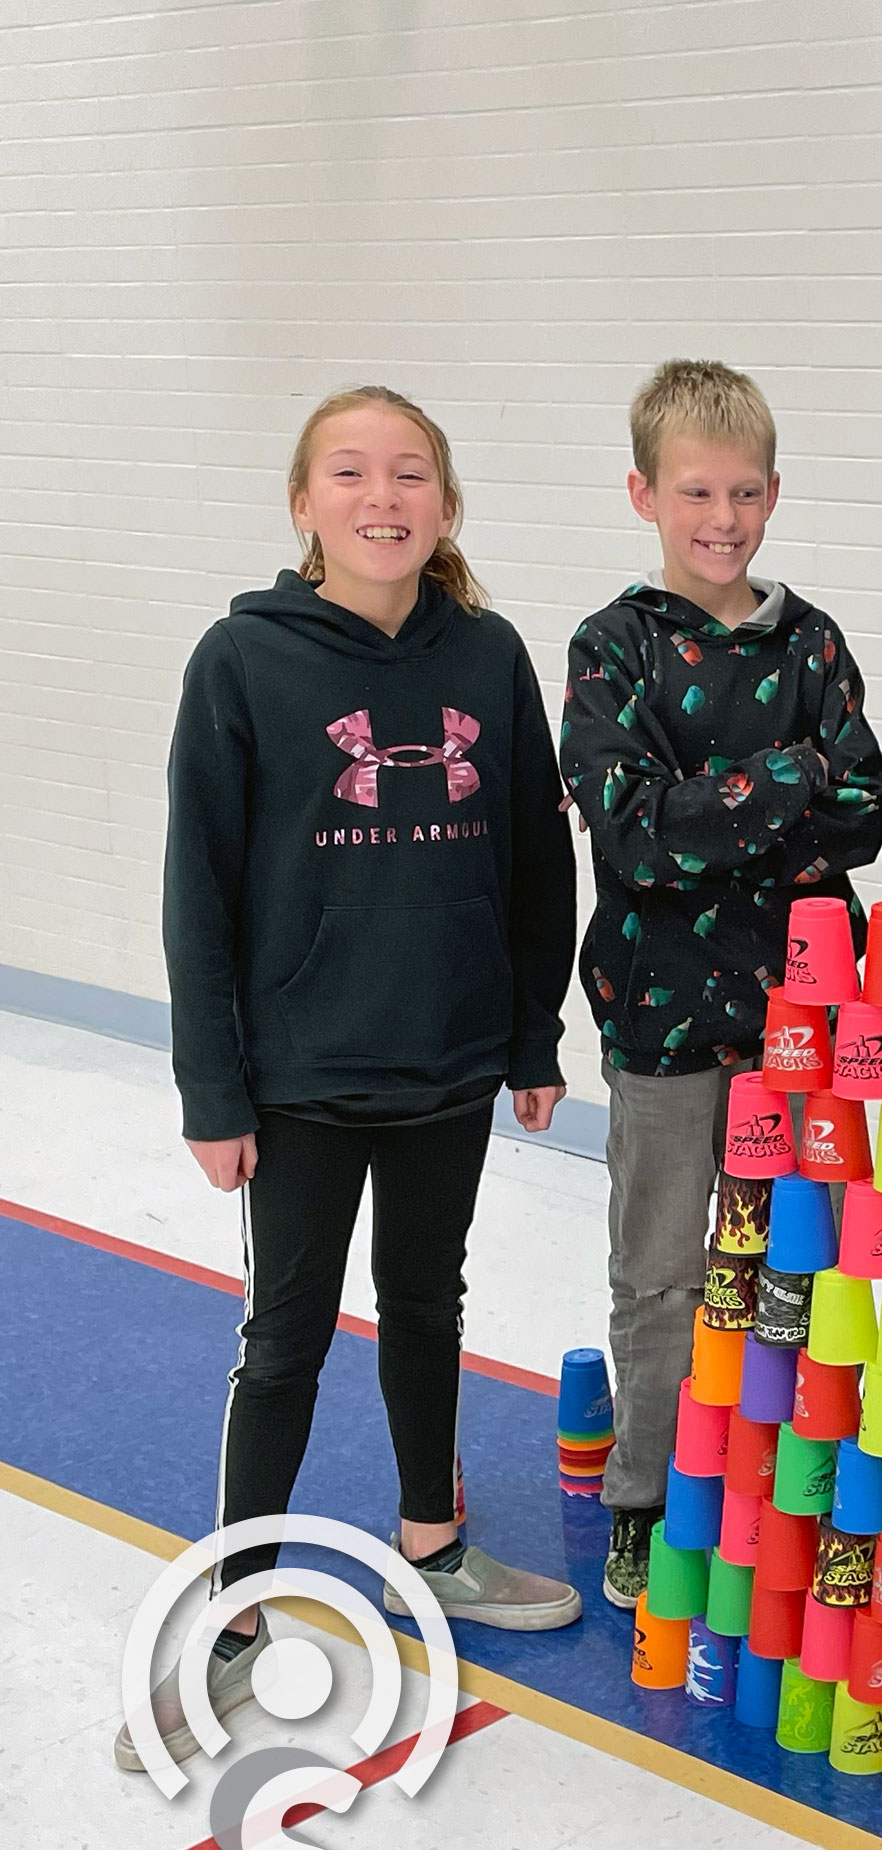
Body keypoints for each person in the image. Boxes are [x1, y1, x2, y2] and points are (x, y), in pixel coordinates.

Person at [130, 387, 582, 1770]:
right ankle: (231, 1616)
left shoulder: (489, 656)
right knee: (286, 1337)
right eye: (350, 473)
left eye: (409, 474)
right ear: (304, 503)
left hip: (447, 1061)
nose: (381, 496)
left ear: (443, 505)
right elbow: (197, 888)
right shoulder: (243, 662)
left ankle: (432, 1544)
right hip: (300, 1077)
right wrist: (215, 1089)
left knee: (431, 1301)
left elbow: (530, 859)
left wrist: (530, 1036)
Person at [560, 361, 882, 1609]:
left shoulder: (811, 642)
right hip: (658, 1019)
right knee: (662, 1273)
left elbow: (866, 812)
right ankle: (645, 1493)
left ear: (775, 493)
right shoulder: (613, 647)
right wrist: (783, 780)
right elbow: (632, 834)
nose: (723, 516)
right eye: (696, 490)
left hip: (802, 1023)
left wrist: (716, 809)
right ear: (644, 491)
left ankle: (773, 1478)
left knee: (793, 1263)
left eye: (745, 491)